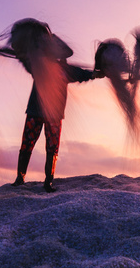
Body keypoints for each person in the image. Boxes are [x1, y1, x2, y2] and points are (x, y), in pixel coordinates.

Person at [8, 19, 94, 192]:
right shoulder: (38, 64)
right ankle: (21, 177)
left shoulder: (65, 70)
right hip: (35, 111)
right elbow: (24, 58)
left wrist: (98, 73)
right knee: (28, 144)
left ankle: (48, 180)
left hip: (53, 114)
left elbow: (86, 74)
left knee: (51, 148)